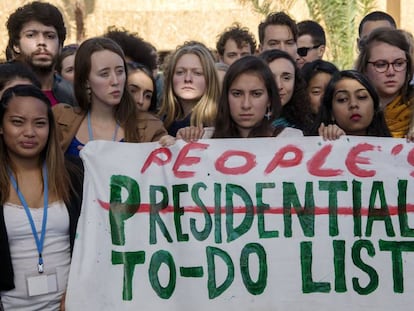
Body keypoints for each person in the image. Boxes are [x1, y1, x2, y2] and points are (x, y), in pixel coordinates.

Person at [0, 84, 82, 310]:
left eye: (40, 123)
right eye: (17, 122)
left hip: (71, 304)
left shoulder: (75, 175)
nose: (29, 132)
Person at [52, 37, 167, 157]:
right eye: (104, 74)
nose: (115, 81)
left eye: (120, 71)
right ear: (86, 80)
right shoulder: (61, 118)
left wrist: (173, 146)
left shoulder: (150, 127)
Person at [6, 1, 76, 106]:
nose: (41, 42)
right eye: (31, 35)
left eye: (50, 36)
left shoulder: (74, 96)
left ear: (60, 45)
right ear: (16, 45)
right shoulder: (3, 89)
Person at [356, 28, 414, 138]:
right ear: (364, 68)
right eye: (381, 65)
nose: (391, 72)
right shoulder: (350, 108)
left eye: (398, 64)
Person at [158, 41, 221, 136]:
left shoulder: (222, 124)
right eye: (180, 72)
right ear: (170, 77)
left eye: (197, 73)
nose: (188, 79)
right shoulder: (158, 124)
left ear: (210, 79)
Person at [317, 70, 391, 139]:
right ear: (331, 112)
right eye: (342, 99)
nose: (353, 104)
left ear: (374, 106)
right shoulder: (315, 146)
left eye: (361, 97)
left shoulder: (393, 148)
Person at [259, 49, 313, 133]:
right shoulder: (243, 124)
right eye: (271, 78)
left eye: (286, 78)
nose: (278, 86)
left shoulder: (307, 123)